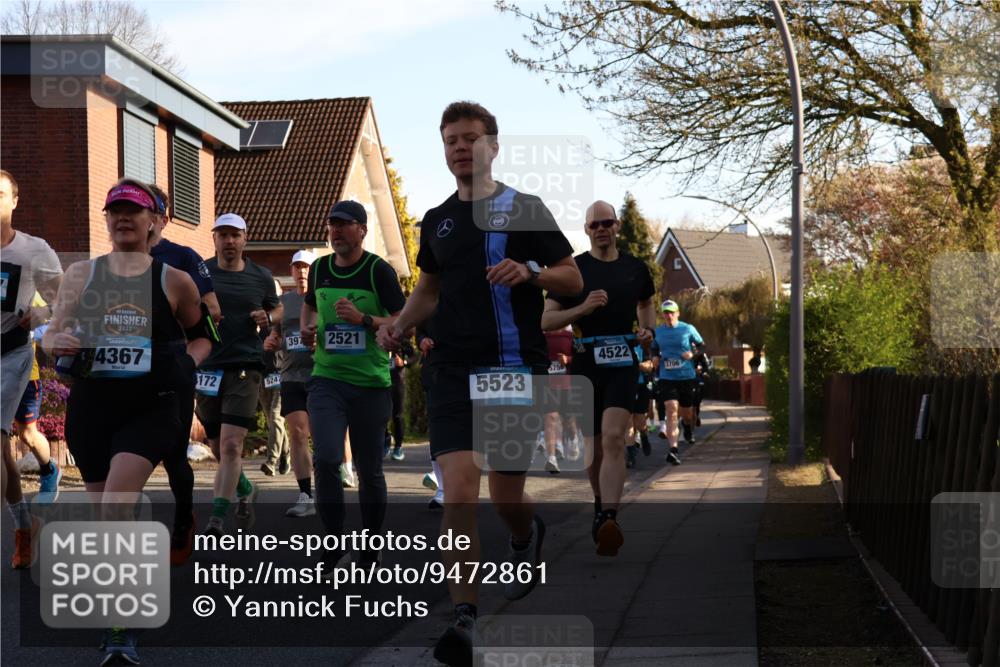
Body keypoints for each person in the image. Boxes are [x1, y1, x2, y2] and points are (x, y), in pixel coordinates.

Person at [378, 101, 583, 666]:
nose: (460, 148)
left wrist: (533, 272)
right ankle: (465, 615)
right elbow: (429, 290)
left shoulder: (524, 208)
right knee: (460, 487)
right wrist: (399, 325)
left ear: (493, 145)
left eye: (470, 138)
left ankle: (525, 533)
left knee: (505, 495)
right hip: (449, 367)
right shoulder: (436, 219)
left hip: (511, 367)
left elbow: (572, 275)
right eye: (450, 141)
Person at [42, 179, 213, 665]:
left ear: (154, 222)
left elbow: (204, 336)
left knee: (117, 505)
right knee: (107, 517)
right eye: (115, 211)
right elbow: (54, 330)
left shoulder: (174, 279)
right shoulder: (81, 275)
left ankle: (121, 626)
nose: (123, 219)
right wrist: (58, 344)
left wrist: (188, 364)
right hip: (93, 407)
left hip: (152, 405)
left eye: (134, 212)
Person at [542, 200, 656, 557]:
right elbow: (546, 321)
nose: (601, 229)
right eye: (595, 225)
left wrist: (647, 330)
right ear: (587, 229)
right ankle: (598, 506)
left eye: (607, 222)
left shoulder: (636, 268)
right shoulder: (573, 270)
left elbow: (646, 303)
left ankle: (610, 516)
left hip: (623, 361)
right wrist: (584, 308)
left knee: (613, 438)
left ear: (617, 225)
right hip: (587, 362)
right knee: (592, 448)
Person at [301, 200, 405, 567]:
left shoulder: (379, 271)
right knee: (327, 457)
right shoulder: (319, 269)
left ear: (362, 229)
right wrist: (307, 326)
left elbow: (400, 319)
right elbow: (311, 304)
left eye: (345, 224)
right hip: (327, 379)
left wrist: (364, 319)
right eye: (332, 225)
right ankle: (333, 540)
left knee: (369, 470)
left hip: (372, 384)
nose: (336, 231)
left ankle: (371, 544)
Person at [147, 183, 222, 565]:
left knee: (174, 455)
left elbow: (211, 308)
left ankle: (182, 518)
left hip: (174, 365)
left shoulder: (184, 256)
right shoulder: (117, 258)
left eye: (148, 207)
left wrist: (181, 330)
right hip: (126, 373)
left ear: (162, 216)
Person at [197, 213, 281, 536]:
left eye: (235, 235)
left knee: (232, 446)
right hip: (207, 367)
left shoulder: (260, 275)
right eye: (223, 235)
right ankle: (245, 489)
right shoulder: (200, 272)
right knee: (219, 448)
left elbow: (278, 309)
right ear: (214, 238)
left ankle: (217, 517)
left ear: (245, 239)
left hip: (246, 365)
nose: (229, 241)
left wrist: (267, 316)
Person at [0, 169, 63, 569]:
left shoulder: (32, 249)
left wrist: (41, 309)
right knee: (4, 450)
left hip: (12, 355)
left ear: (14, 201)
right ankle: (24, 528)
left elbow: (67, 298)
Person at [263, 250, 318, 517]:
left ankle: (329, 486)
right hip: (291, 375)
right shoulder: (283, 302)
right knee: (297, 433)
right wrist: (272, 340)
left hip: (321, 375)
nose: (301, 272)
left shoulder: (322, 299)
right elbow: (276, 333)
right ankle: (305, 494)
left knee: (322, 437)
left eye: (306, 267)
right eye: (297, 268)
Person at [13, 295, 62, 500]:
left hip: (25, 377)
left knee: (27, 435)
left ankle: (49, 469)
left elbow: (51, 319)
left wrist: (35, 327)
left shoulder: (24, 285)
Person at [652, 300, 705, 465]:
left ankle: (687, 426)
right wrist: (655, 357)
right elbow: (654, 348)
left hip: (686, 377)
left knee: (687, 414)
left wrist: (693, 353)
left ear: (677, 313)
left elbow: (702, 346)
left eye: (671, 312)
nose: (668, 315)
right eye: (665, 312)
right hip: (667, 377)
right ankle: (673, 450)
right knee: (671, 410)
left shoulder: (687, 328)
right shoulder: (658, 332)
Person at [259, 278, 290, 477]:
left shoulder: (285, 316)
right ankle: (286, 453)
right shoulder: (260, 317)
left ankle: (271, 461)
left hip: (281, 373)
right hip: (263, 374)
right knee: (271, 421)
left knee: (277, 417)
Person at [626, 342, 656, 468]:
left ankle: (644, 434)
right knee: (628, 422)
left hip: (640, 385)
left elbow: (650, 366)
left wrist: (637, 366)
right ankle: (631, 454)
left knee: (639, 421)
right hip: (623, 386)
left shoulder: (642, 345)